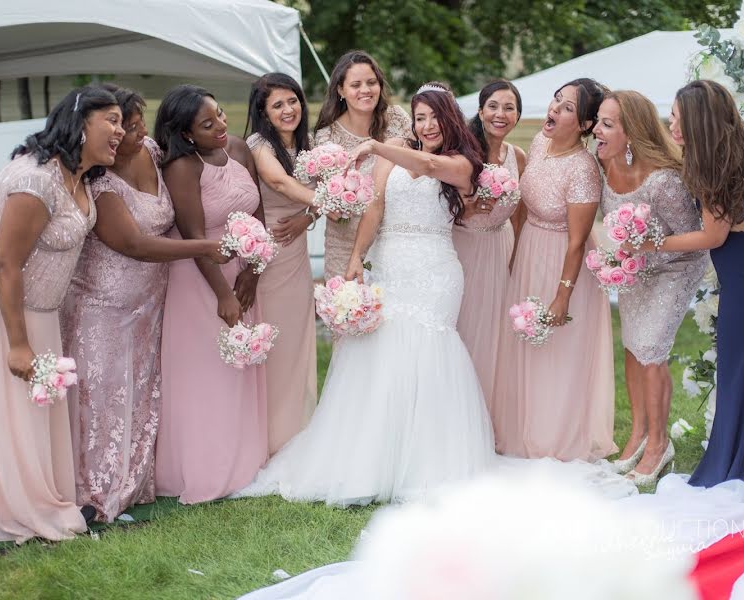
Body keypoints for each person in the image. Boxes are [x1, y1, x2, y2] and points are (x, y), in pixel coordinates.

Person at [236, 82, 497, 506]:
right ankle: (370, 459)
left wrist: (376, 146)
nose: (426, 124)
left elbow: (430, 167)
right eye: (419, 116)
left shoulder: (463, 161)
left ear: (449, 117)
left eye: (434, 116)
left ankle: (427, 462)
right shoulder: (396, 147)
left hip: (435, 268)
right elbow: (375, 205)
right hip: (389, 261)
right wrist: (357, 255)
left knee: (430, 353)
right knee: (380, 355)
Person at [0, 85, 125, 542]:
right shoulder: (36, 178)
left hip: (38, 303)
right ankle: (7, 506)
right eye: (111, 120)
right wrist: (18, 343)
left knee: (37, 403)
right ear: (81, 124)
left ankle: (41, 494)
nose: (119, 130)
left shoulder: (79, 175)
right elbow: (5, 262)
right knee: (7, 397)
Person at [61, 85, 229, 521]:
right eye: (122, 126)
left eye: (134, 124)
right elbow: (133, 243)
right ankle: (94, 497)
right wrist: (202, 246)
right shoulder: (97, 180)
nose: (132, 134)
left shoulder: (154, 152)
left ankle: (131, 486)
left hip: (150, 302)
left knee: (141, 392)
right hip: (101, 305)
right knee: (101, 399)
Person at [635, 80, 744, 491]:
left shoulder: (715, 171)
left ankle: (739, 466)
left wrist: (653, 244)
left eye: (678, 118)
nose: (672, 125)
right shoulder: (734, 159)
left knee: (742, 371)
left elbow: (712, 238)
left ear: (700, 122)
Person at [154, 85, 268, 504]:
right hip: (200, 277)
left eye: (220, 114)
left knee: (240, 368)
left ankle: (244, 462)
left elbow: (257, 214)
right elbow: (193, 235)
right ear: (185, 133)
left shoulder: (239, 149)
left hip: (243, 268)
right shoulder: (182, 167)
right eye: (207, 123)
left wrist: (253, 272)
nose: (221, 126)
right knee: (208, 372)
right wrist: (224, 294)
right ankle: (205, 469)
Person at [493, 78, 618, 461]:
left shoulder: (583, 170)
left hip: (564, 263)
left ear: (583, 124)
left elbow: (578, 241)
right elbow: (525, 207)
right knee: (523, 346)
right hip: (530, 250)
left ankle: (554, 439)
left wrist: (563, 294)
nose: (554, 109)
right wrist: (515, 258)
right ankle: (521, 429)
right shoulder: (539, 144)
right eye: (556, 101)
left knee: (557, 351)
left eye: (567, 108)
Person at [595, 90, 707, 484]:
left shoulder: (664, 182)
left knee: (652, 349)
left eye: (608, 124)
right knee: (632, 349)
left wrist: (646, 247)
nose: (597, 130)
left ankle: (660, 446)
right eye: (598, 121)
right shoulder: (601, 162)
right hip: (635, 270)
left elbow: (695, 240)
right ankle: (639, 435)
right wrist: (621, 258)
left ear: (633, 132)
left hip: (676, 268)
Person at [245, 73, 318, 455]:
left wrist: (311, 214)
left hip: (298, 255)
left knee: (296, 340)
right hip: (269, 256)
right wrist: (327, 202)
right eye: (278, 105)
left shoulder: (309, 144)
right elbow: (279, 183)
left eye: (293, 101)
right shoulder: (258, 145)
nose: (289, 110)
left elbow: (308, 200)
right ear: (263, 112)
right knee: (272, 342)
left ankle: (296, 432)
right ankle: (268, 438)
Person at [454, 79, 527, 412]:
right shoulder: (460, 151)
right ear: (481, 111)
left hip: (500, 248)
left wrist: (517, 259)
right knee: (463, 328)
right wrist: (466, 207)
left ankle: (488, 412)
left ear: (518, 115)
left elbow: (520, 215)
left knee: (495, 336)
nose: (501, 114)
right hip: (463, 247)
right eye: (494, 106)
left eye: (509, 107)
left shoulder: (519, 157)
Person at [313, 50, 412, 280]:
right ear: (341, 90)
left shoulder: (397, 119)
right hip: (345, 244)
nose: (365, 90)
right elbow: (329, 203)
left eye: (371, 82)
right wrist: (334, 206)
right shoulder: (327, 138)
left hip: (394, 239)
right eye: (356, 85)